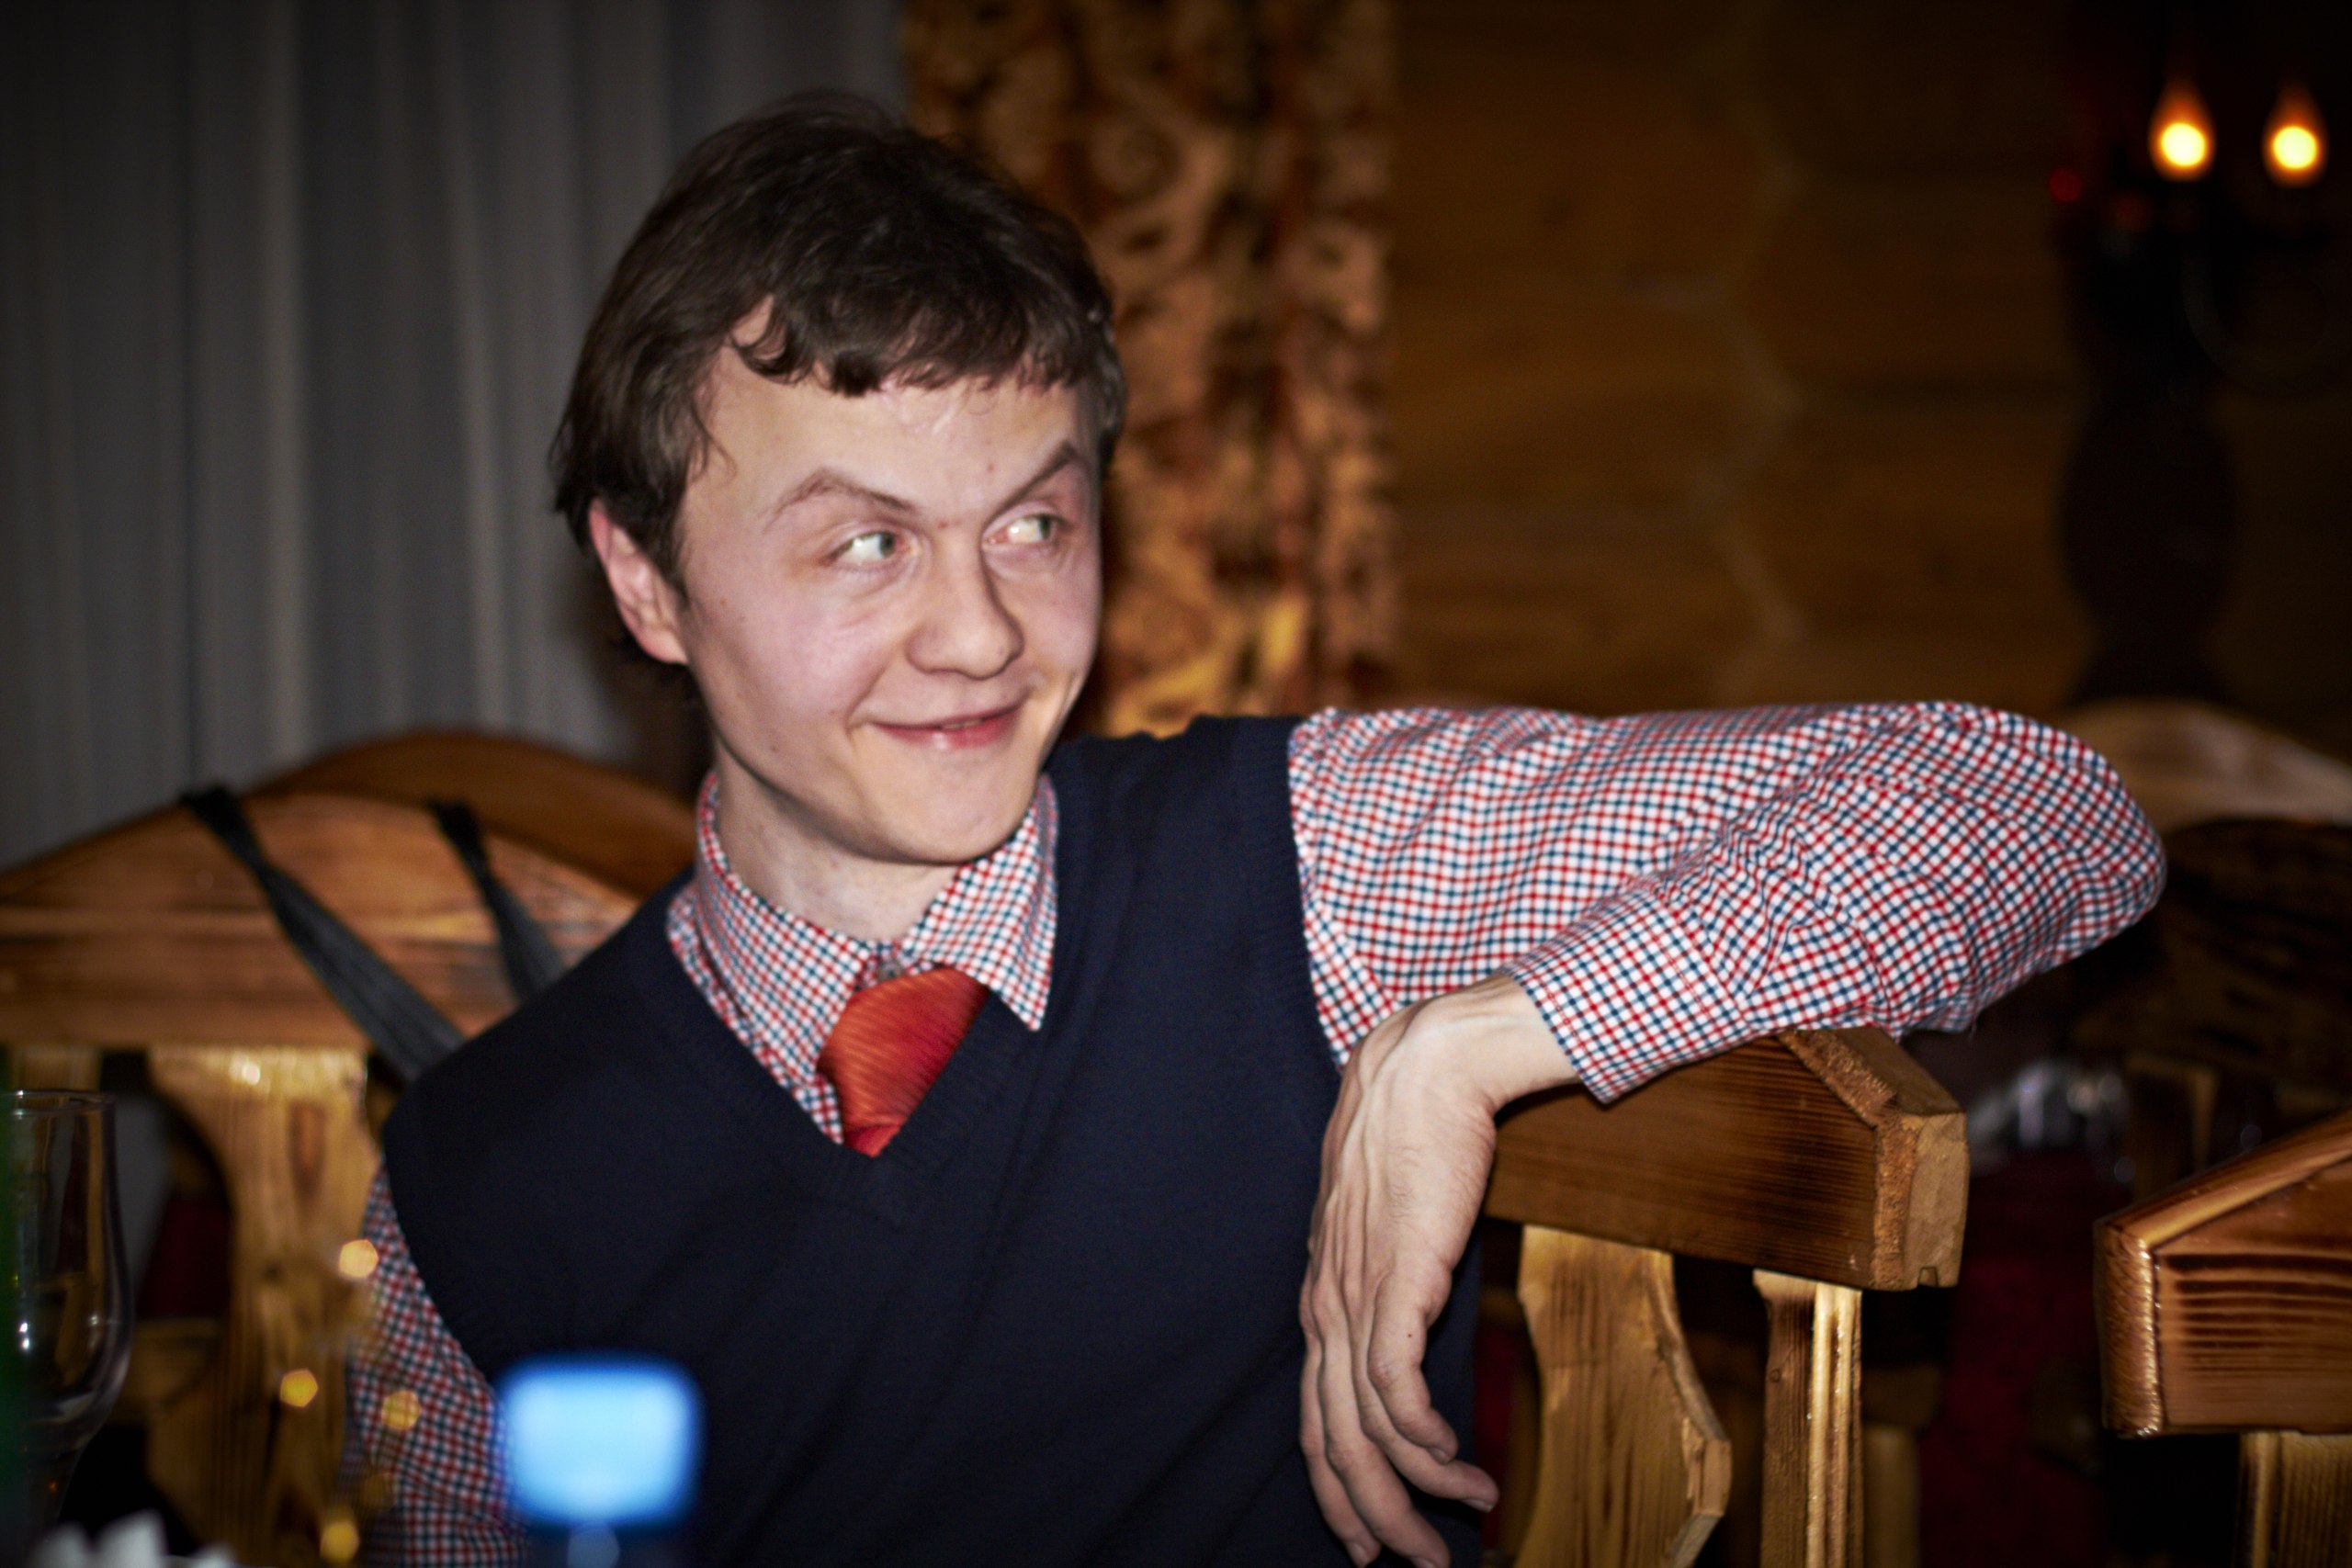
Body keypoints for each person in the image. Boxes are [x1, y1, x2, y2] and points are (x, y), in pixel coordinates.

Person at [352, 96, 2163, 1568]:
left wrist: (1469, 1047)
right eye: (867, 543)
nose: (978, 634)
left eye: (1034, 524)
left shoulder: (1304, 864)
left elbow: (2040, 806)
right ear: (644, 580)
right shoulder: (477, 1187)